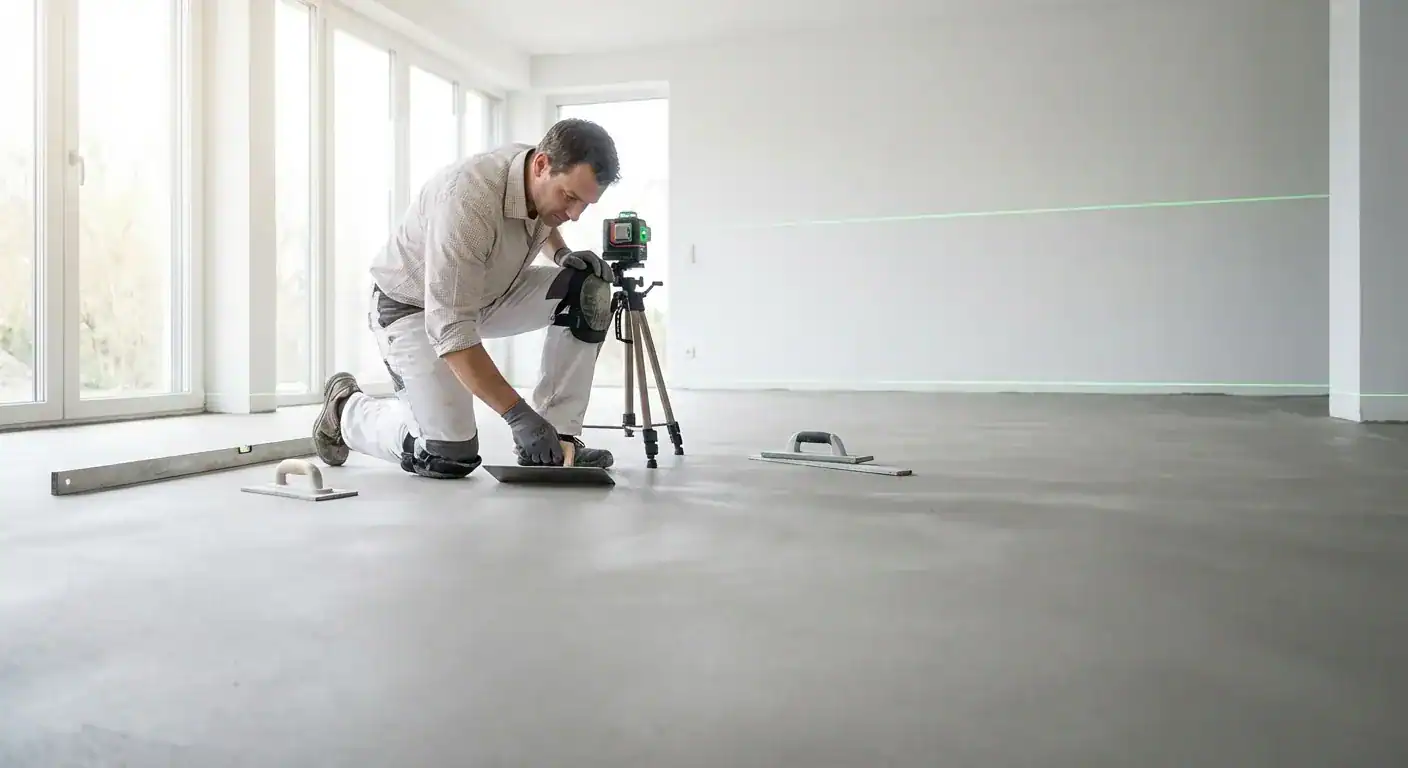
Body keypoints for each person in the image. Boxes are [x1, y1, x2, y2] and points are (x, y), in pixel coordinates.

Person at [309, 118, 622, 479]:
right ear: (541, 166)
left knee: (587, 290)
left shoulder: (532, 167)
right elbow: (453, 330)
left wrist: (561, 254)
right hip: (412, 308)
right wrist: (518, 416)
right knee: (447, 456)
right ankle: (346, 410)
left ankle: (558, 441)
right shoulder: (467, 200)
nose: (575, 214)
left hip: (487, 292)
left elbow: (542, 213)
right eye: (570, 198)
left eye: (585, 203)